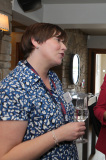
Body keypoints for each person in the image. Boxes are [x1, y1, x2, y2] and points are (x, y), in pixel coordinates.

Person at [0, 23, 86, 159]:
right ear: (35, 41)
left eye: (64, 42)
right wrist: (59, 135)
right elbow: (6, 156)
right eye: (58, 40)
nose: (64, 47)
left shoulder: (53, 78)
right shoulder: (13, 87)